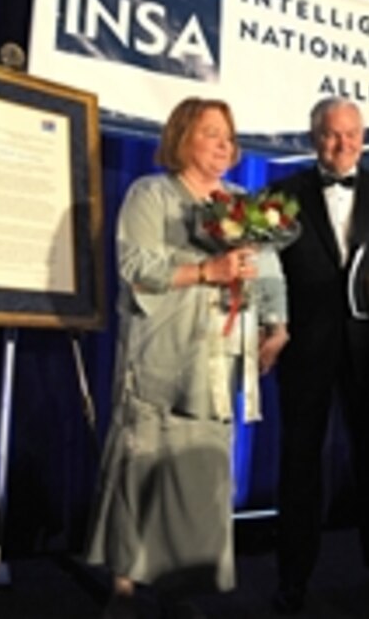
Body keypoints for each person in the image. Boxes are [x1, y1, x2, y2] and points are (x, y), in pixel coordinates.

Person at [85, 97, 290, 618]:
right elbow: (134, 264)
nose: (224, 145)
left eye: (228, 135)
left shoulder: (244, 202)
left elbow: (267, 274)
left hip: (218, 360)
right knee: (142, 468)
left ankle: (180, 587)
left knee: (199, 476)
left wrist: (276, 327)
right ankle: (126, 585)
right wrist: (204, 272)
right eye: (211, 134)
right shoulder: (150, 193)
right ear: (181, 138)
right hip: (160, 354)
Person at [268, 97, 369, 614]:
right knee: (299, 465)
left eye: (353, 135)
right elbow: (265, 266)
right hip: (304, 347)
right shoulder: (281, 193)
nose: (344, 145)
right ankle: (292, 577)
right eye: (333, 135)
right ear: (314, 137)